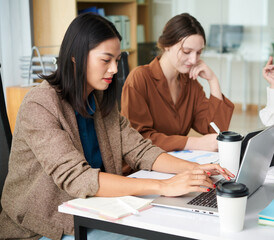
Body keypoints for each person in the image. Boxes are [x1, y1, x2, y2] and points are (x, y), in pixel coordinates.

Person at [0, 13, 233, 240]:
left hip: (95, 211)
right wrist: (164, 185)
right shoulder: (40, 104)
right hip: (44, 226)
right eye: (106, 60)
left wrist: (193, 171)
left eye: (117, 60)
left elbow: (141, 150)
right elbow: (78, 178)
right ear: (76, 57)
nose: (114, 69)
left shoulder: (100, 102)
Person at [120, 13, 234, 152]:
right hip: (143, 168)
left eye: (199, 53)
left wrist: (213, 81)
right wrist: (191, 143)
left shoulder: (190, 83)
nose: (193, 60)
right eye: (187, 52)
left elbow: (215, 130)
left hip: (176, 162)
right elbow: (138, 138)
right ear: (167, 46)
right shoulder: (140, 79)